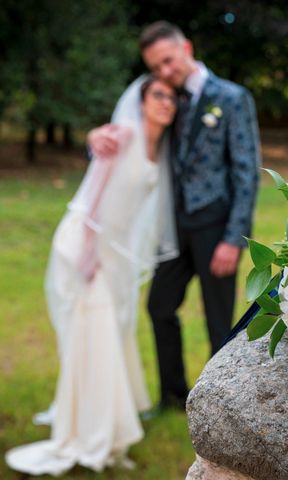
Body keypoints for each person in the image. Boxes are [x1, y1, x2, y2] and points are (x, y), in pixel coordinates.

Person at [5, 77, 179, 475]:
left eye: (171, 98)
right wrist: (87, 250)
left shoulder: (159, 146)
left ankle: (109, 421)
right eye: (158, 95)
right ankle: (92, 430)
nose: (166, 103)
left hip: (114, 254)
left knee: (110, 334)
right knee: (93, 335)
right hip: (86, 244)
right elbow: (93, 190)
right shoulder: (124, 134)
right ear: (140, 99)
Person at [88, 22, 261, 411]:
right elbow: (132, 136)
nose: (164, 72)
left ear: (186, 47)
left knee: (219, 321)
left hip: (215, 227)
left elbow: (246, 172)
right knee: (159, 307)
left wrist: (234, 238)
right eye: (156, 67)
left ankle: (220, 405)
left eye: (167, 60)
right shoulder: (165, 98)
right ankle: (173, 395)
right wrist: (94, 139)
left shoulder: (231, 98)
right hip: (172, 227)